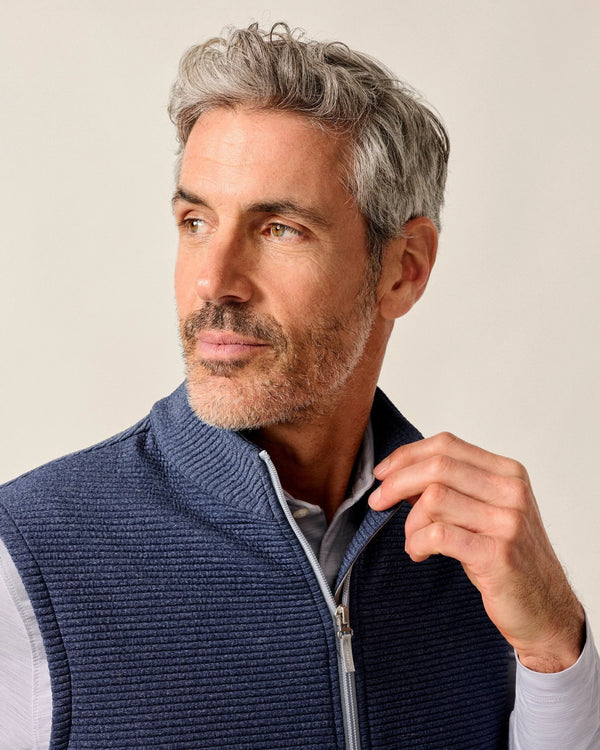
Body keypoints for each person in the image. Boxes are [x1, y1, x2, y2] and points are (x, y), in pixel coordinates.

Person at [0, 22, 598, 750]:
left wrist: (556, 653)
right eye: (196, 221)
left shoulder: (482, 561)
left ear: (404, 268)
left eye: (279, 228)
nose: (214, 281)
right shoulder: (24, 562)